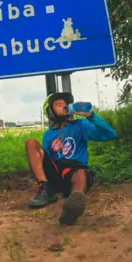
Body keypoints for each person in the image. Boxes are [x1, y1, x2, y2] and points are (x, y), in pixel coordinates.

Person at [25, 92, 117, 225]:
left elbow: (110, 134)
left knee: (81, 173)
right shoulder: (48, 135)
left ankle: (72, 207)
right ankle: (46, 189)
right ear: (50, 111)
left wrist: (90, 116)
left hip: (75, 170)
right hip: (57, 172)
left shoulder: (80, 125)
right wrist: (40, 178)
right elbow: (45, 160)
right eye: (58, 104)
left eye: (65, 104)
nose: (63, 106)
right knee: (31, 143)